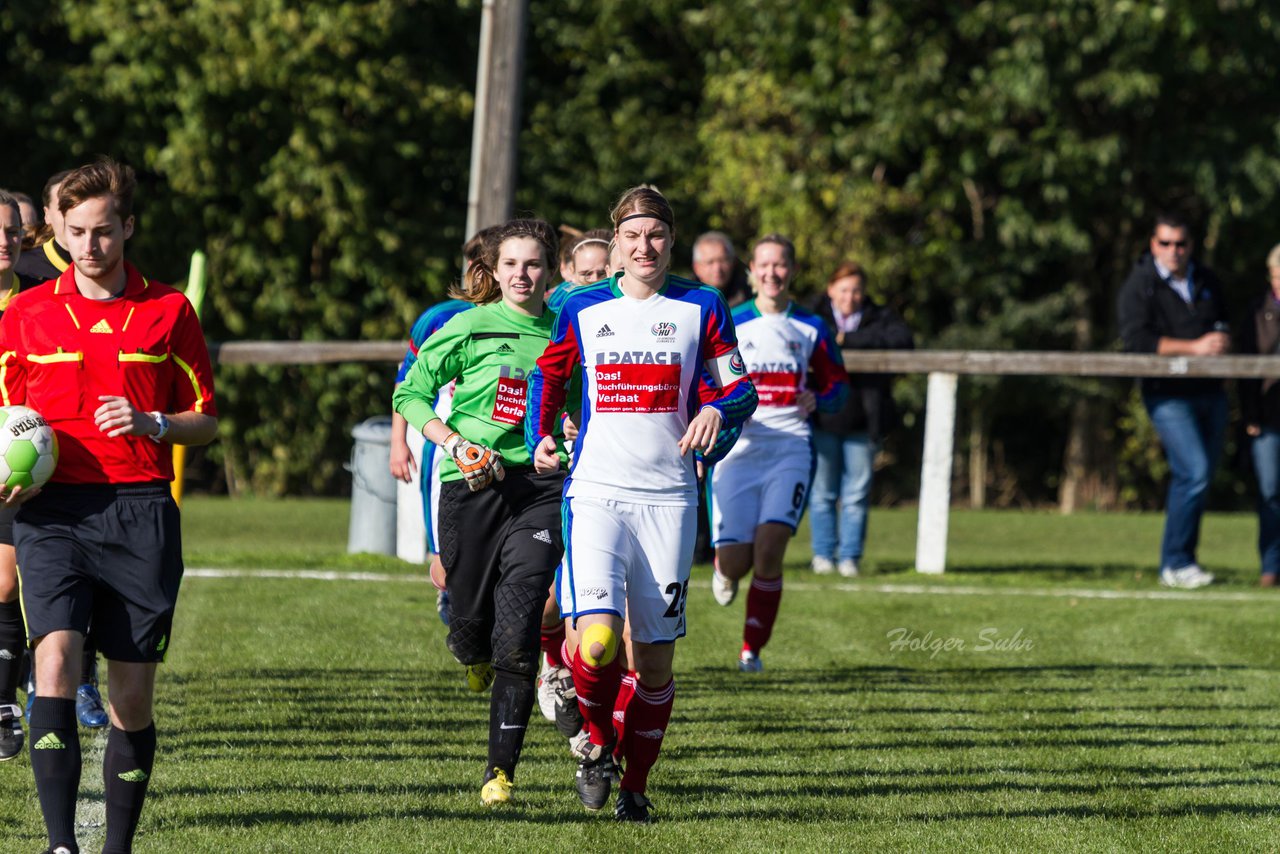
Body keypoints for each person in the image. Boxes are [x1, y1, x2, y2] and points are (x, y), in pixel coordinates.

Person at [0, 158, 218, 854]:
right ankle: (62, 844)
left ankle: (117, 846)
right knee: (56, 662)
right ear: (57, 233)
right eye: (76, 233)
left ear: (126, 226)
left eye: (103, 232)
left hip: (140, 510)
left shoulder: (168, 310)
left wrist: (155, 424)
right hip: (52, 511)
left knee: (129, 698)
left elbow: (205, 416)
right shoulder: (26, 314)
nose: (90, 247)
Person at [527, 186, 757, 822]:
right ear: (617, 241)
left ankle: (636, 787)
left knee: (652, 664)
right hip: (596, 492)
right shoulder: (581, 304)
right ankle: (596, 743)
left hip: (671, 501)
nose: (644, 246)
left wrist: (716, 409)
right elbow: (548, 373)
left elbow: (742, 389)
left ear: (670, 240)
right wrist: (539, 434)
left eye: (655, 234)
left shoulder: (702, 304)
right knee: (597, 642)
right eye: (632, 235)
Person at [392, 218, 570, 808]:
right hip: (470, 486)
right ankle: (471, 650)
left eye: (534, 264)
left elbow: (590, 399)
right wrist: (453, 442)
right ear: (494, 272)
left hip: (538, 485)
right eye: (512, 265)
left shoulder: (567, 330)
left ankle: (500, 771)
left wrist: (571, 425)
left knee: (517, 632)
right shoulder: (466, 326)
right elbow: (408, 395)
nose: (523, 275)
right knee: (471, 631)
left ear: (551, 271)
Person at [708, 234, 847, 673]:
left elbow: (838, 385)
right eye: (764, 265)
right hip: (739, 449)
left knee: (770, 550)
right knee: (737, 561)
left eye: (781, 264)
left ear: (793, 270)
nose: (772, 273)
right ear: (751, 270)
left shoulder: (811, 326)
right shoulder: (732, 320)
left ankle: (751, 650)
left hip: (790, 447)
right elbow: (706, 379)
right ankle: (723, 568)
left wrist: (819, 400)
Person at [12, 170, 110, 729]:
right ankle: (22, 687)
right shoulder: (30, 289)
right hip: (27, 463)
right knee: (12, 586)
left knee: (76, 591)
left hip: (85, 472)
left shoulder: (87, 280)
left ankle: (81, 683)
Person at [389, 228, 500, 625]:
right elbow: (408, 383)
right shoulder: (439, 319)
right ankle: (454, 600)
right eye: (477, 265)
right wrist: (398, 442)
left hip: (507, 447)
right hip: (444, 447)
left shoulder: (530, 317)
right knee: (447, 550)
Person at [1117, 212, 1230, 589]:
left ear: (1190, 245)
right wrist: (1195, 347)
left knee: (1196, 477)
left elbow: (1224, 321)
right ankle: (1176, 563)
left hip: (1210, 392)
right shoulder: (1140, 285)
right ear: (1153, 244)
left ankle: (1183, 561)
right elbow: (1137, 342)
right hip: (1167, 395)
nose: (1174, 251)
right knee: (1194, 472)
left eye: (1180, 243)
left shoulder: (1206, 279)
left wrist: (1221, 340)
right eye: (1165, 243)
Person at [808, 261, 914, 577]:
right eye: (843, 289)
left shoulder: (880, 316)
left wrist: (845, 341)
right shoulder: (812, 316)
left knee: (856, 494)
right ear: (830, 290)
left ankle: (850, 557)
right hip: (823, 416)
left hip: (865, 419)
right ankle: (823, 555)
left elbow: (903, 341)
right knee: (823, 492)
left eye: (856, 290)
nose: (850, 297)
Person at [0, 191, 29, 760]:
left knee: (4, 584)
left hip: (15, 462)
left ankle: (3, 706)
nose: (5, 239)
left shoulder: (39, 303)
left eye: (11, 230)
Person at [1237, 243, 1280, 587]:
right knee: (1269, 493)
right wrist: (1249, 413)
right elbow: (1246, 368)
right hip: (1268, 417)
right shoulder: (1257, 311)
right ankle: (1271, 567)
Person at [692, 231, 749, 308]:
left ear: (732, 262)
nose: (717, 268)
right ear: (697, 267)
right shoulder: (685, 299)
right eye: (710, 262)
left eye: (723, 260)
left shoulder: (749, 295)